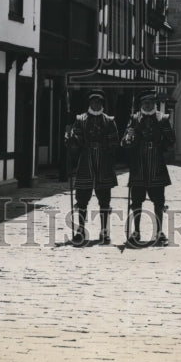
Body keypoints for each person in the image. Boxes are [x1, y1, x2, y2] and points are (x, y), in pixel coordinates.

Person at [64, 89, 120, 245]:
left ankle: (104, 231)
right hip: (86, 161)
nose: (96, 104)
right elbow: (76, 143)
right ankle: (80, 230)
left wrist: (108, 144)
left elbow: (115, 141)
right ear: (89, 103)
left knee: (104, 200)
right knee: (82, 199)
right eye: (94, 102)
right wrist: (70, 138)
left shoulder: (109, 121)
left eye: (99, 102)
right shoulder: (80, 119)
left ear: (102, 104)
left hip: (103, 162)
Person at [122, 89, 176, 247]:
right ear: (141, 104)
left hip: (156, 165)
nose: (148, 105)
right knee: (136, 201)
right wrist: (128, 139)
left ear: (155, 103)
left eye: (151, 102)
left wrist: (161, 147)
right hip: (138, 165)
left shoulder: (163, 118)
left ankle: (159, 232)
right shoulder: (134, 118)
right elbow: (124, 142)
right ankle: (136, 231)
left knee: (158, 201)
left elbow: (171, 139)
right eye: (145, 102)